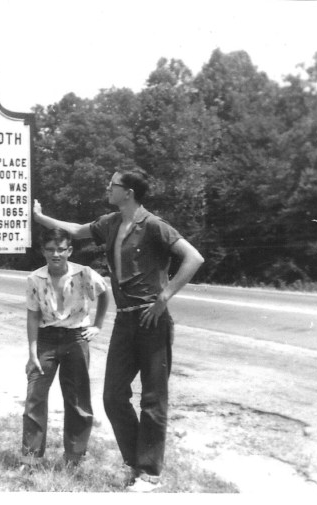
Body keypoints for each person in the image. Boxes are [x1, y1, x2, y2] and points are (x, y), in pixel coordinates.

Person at [33, 169, 204, 492]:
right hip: (124, 321)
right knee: (113, 395)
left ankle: (149, 473)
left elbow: (194, 258)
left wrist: (164, 297)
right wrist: (40, 218)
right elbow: (74, 230)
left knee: (153, 398)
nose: (107, 189)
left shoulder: (154, 225)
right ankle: (136, 461)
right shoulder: (110, 223)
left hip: (152, 320)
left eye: (112, 185)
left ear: (128, 192)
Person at [21, 228, 109, 468]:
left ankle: (74, 458)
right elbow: (32, 316)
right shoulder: (34, 279)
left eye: (61, 249)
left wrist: (98, 325)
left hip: (76, 337)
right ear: (43, 251)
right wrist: (32, 352)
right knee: (35, 397)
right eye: (50, 249)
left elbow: (104, 294)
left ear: (69, 250)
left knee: (77, 399)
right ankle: (30, 457)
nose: (56, 254)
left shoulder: (84, 274)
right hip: (46, 338)